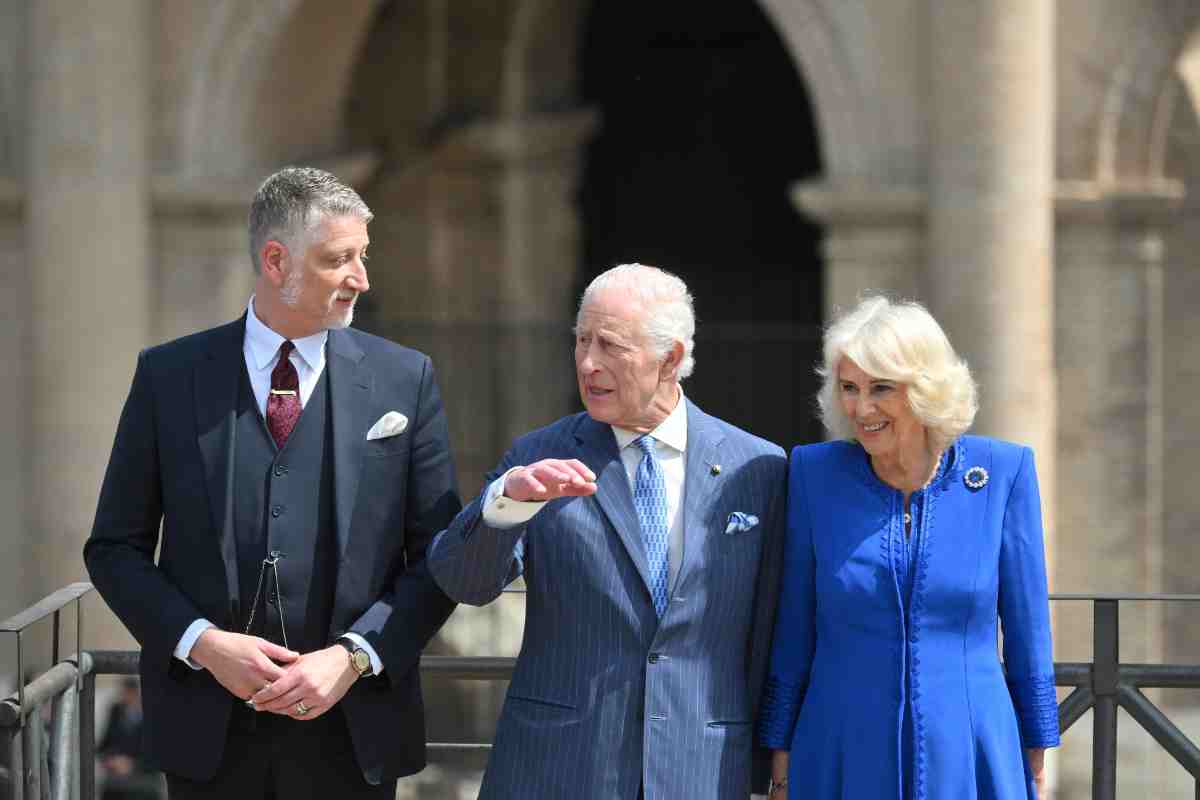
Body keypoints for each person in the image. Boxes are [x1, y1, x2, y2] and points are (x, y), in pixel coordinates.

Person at [84, 167, 461, 798]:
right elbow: (114, 550)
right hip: (206, 739)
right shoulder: (169, 377)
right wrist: (203, 645)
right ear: (276, 259)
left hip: (354, 733)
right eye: (338, 259)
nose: (361, 278)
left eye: (363, 256)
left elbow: (440, 556)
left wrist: (354, 656)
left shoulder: (406, 379)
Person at [428, 263, 787, 800]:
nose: (588, 363)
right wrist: (507, 505)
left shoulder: (757, 467)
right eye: (581, 340)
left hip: (700, 769)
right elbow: (463, 581)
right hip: (560, 770)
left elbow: (772, 633)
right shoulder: (539, 456)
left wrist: (772, 765)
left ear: (670, 358)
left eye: (610, 345)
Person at [757, 295, 1060, 799]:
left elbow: (1028, 625)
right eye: (849, 388)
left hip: (969, 741)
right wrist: (781, 751)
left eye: (881, 388)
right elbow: (794, 624)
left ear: (924, 388)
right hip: (840, 742)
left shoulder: (1003, 473)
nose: (861, 408)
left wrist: (1037, 741)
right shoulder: (814, 474)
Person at [98, 679, 164, 800]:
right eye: (124, 693)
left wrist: (132, 765)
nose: (126, 697)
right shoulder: (116, 711)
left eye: (129, 693)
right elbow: (104, 744)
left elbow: (159, 756)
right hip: (116, 782)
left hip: (144, 783)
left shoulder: (154, 715)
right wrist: (111, 760)